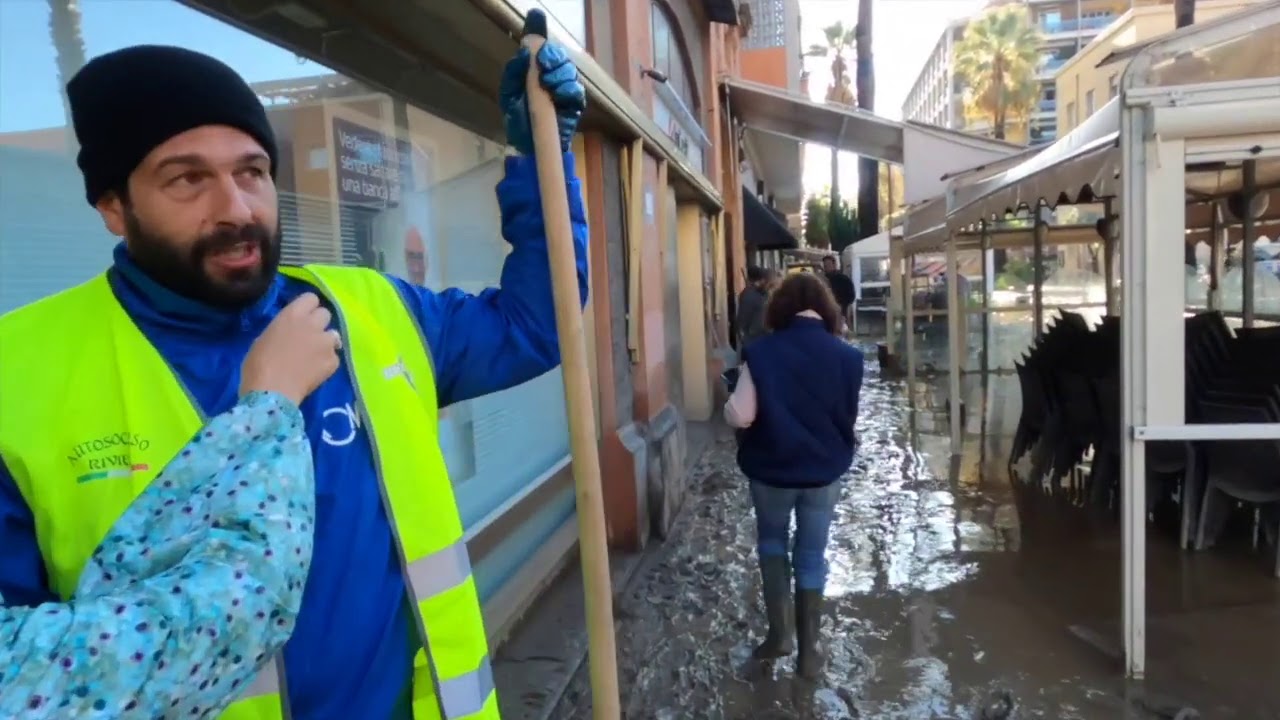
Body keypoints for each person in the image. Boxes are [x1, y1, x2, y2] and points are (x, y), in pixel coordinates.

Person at [0, 39, 588, 720]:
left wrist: (544, 162)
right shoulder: (19, 370)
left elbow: (534, 327)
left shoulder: (371, 310)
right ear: (112, 206)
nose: (236, 209)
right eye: (186, 179)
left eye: (251, 171)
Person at [1, 292, 338, 718]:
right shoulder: (18, 366)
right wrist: (269, 407)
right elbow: (241, 597)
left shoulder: (356, 303)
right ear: (113, 219)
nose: (240, 219)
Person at [723, 273, 864, 680]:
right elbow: (847, 417)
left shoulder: (761, 352)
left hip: (770, 471)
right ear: (827, 309)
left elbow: (742, 415)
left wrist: (727, 400)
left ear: (779, 307)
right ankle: (809, 655)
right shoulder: (849, 358)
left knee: (772, 544)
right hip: (824, 473)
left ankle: (779, 636)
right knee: (811, 555)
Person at [736, 265, 771, 348]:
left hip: (756, 337)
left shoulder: (755, 294)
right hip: (755, 338)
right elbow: (743, 319)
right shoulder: (754, 295)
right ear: (761, 280)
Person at [821, 255, 855, 331]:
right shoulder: (822, 280)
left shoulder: (843, 279)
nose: (826, 267)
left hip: (841, 312)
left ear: (834, 265)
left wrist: (842, 306)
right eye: (825, 265)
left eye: (828, 265)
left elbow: (851, 296)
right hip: (826, 313)